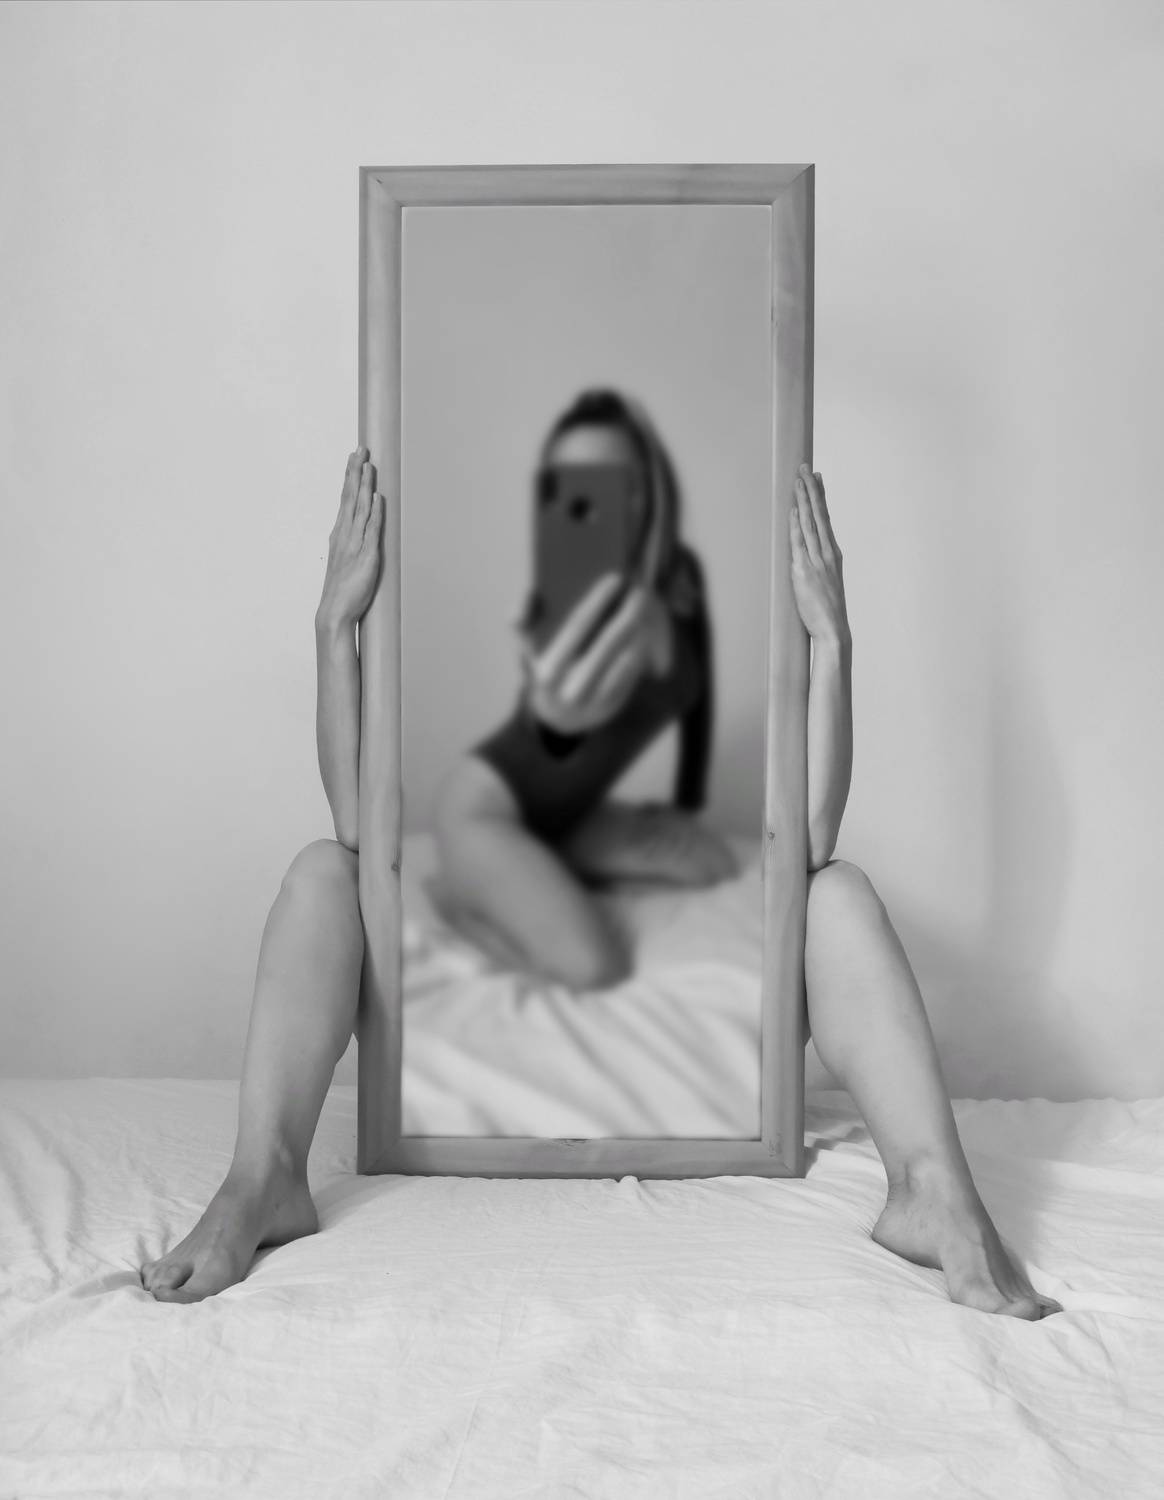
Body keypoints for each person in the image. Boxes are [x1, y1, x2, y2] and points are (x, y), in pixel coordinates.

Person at [139, 443, 1063, 1319]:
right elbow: (359, 829)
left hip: (684, 1007)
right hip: (509, 961)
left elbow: (810, 844)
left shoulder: (689, 697)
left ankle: (932, 1190)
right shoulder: (500, 726)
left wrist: (833, 641)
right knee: (322, 871)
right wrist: (332, 625)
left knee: (841, 891)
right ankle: (262, 1179)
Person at [427, 388, 738, 987]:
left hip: (572, 812)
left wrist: (686, 803)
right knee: (593, 966)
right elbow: (543, 728)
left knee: (713, 864)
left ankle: (554, 857)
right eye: (573, 483)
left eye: (615, 481)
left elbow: (700, 700)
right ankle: (461, 896)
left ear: (649, 490)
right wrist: (554, 724)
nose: (594, 500)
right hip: (487, 804)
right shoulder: (560, 606)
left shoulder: (683, 579)